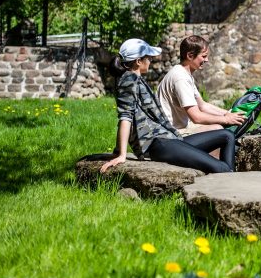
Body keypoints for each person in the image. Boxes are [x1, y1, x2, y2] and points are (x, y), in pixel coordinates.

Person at [99, 38, 235, 175]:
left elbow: (128, 117)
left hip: (168, 140)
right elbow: (125, 117)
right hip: (159, 144)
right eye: (149, 58)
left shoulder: (135, 80)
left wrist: (117, 151)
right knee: (221, 167)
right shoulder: (129, 80)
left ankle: (228, 174)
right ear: (138, 61)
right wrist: (121, 154)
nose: (151, 60)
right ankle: (228, 178)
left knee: (227, 135)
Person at [157, 35, 245, 135]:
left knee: (219, 126)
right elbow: (196, 117)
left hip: (179, 128)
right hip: (171, 133)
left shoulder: (184, 74)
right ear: (190, 56)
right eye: (203, 56)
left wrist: (227, 113)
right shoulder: (180, 77)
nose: (206, 60)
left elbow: (202, 106)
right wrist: (226, 119)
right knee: (217, 129)